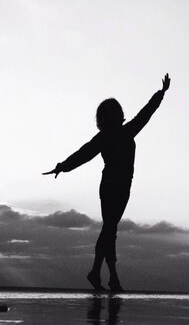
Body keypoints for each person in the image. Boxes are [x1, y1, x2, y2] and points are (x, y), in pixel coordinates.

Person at [43, 74, 171, 292]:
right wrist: (62, 166)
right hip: (117, 187)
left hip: (112, 187)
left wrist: (161, 93)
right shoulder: (124, 132)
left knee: (109, 230)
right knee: (110, 229)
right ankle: (99, 273)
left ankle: (110, 277)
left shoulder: (110, 136)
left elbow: (83, 154)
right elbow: (83, 154)